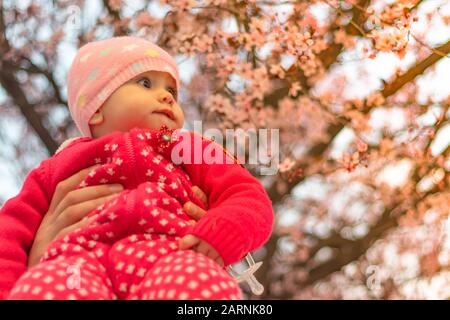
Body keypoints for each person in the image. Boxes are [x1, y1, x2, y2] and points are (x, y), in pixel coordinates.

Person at [0, 36, 274, 300]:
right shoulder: (58, 167)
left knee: (201, 284)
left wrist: (223, 230)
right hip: (76, 261)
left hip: (170, 255)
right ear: (96, 108)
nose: (167, 97)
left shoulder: (187, 148)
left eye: (171, 91)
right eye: (145, 83)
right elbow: (10, 232)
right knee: (49, 289)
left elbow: (246, 194)